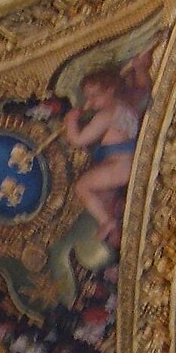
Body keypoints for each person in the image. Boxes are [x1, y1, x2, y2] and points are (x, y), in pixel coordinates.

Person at [62, 66, 142, 247]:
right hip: (124, 164)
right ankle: (117, 235)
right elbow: (141, 88)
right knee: (103, 200)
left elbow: (78, 140)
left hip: (119, 166)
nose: (90, 101)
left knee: (82, 187)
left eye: (94, 95)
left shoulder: (106, 115)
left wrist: (71, 121)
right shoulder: (127, 105)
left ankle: (107, 222)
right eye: (88, 97)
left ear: (110, 90)